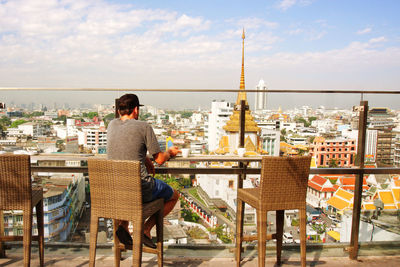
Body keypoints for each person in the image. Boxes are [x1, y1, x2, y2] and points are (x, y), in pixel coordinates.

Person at [107, 93, 180, 248]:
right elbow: (160, 159)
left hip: (115, 191)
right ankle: (145, 230)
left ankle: (123, 227)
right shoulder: (143, 126)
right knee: (174, 195)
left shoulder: (111, 125)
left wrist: (144, 158)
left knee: (126, 183)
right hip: (140, 189)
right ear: (136, 110)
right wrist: (170, 153)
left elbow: (125, 149)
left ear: (120, 110)